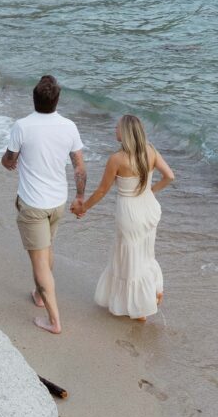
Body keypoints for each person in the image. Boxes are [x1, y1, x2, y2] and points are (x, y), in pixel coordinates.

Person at [1, 75, 86, 334]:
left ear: (34, 99)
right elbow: (79, 167)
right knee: (47, 250)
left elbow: (8, 160)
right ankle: (39, 296)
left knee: (40, 262)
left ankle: (54, 321)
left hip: (33, 205)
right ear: (57, 100)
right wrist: (80, 198)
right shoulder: (69, 126)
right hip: (58, 201)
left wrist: (11, 161)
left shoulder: (22, 126)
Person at [72, 114, 174, 321]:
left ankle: (140, 309)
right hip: (149, 208)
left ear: (126, 133)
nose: (115, 130)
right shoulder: (151, 151)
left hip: (129, 213)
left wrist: (84, 208)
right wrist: (150, 192)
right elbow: (169, 176)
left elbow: (102, 191)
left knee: (129, 259)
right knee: (145, 254)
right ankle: (154, 290)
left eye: (117, 128)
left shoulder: (117, 159)